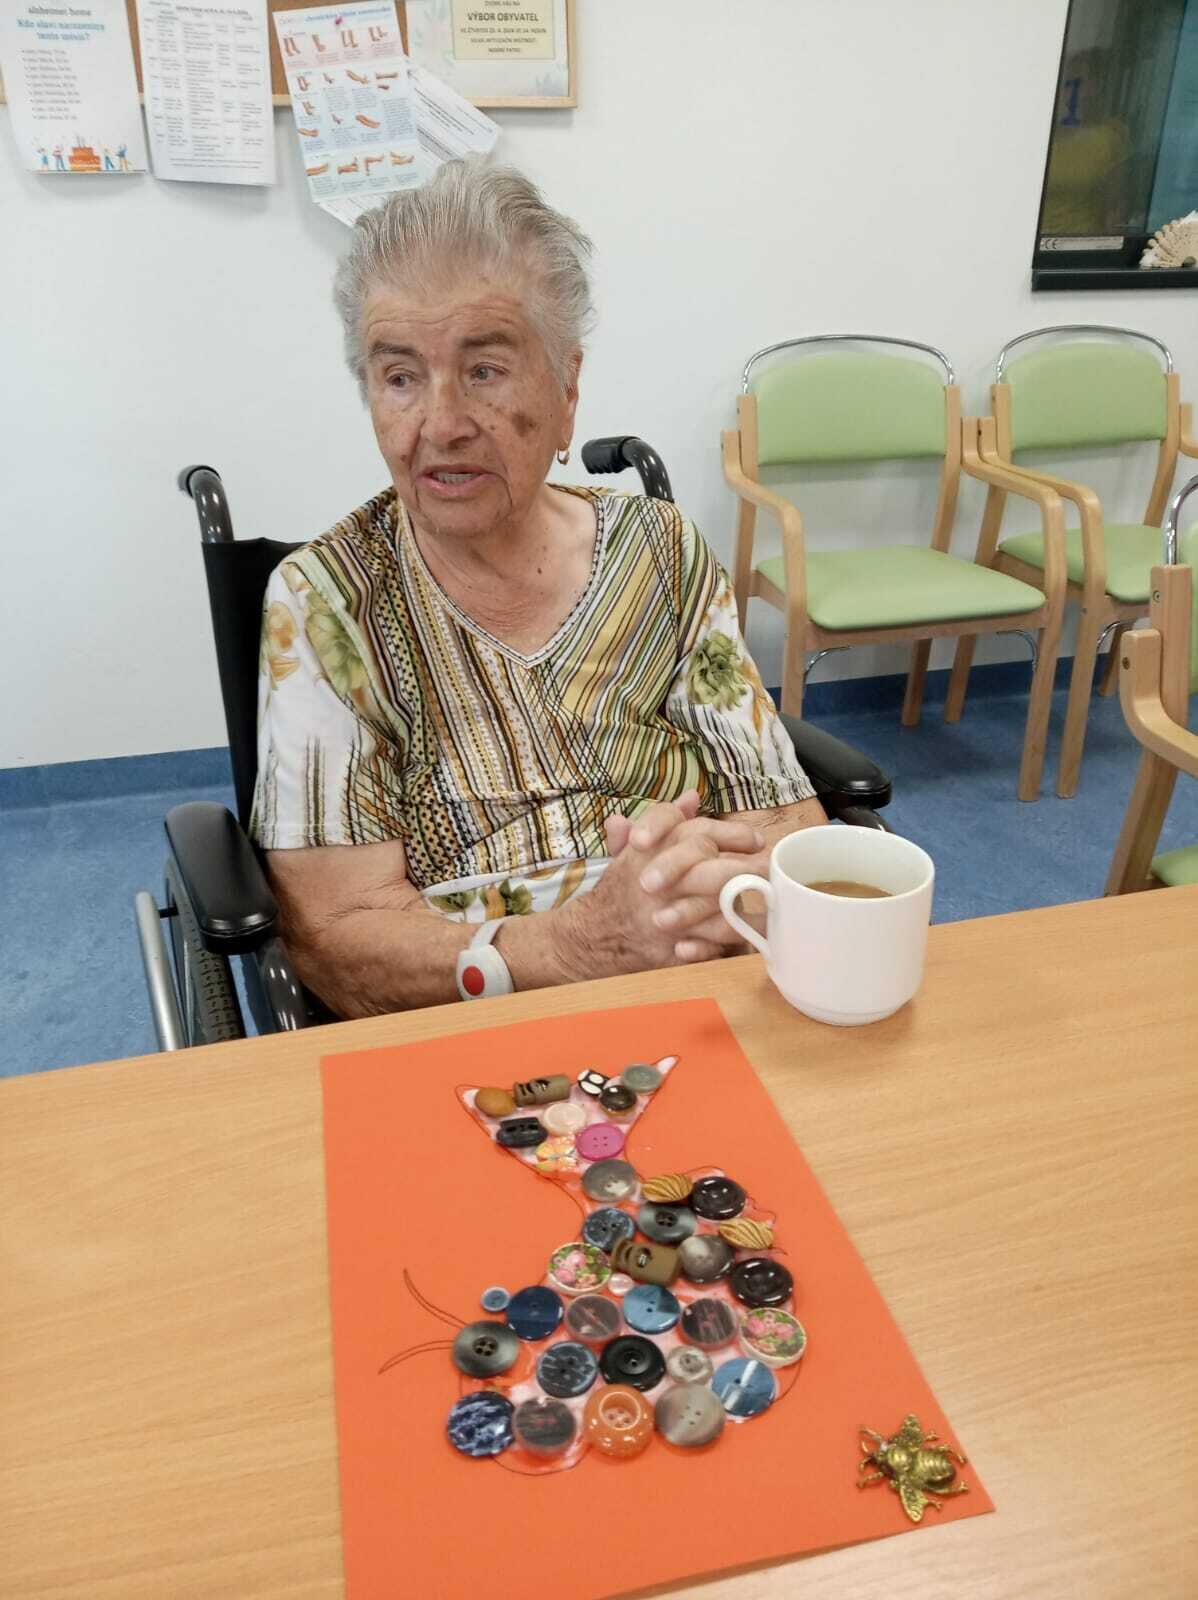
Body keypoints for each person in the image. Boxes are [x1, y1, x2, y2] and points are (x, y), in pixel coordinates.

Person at [252, 159, 824, 1018]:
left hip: (696, 979)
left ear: (567, 392)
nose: (441, 425)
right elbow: (336, 938)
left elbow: (786, 824)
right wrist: (576, 946)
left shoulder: (661, 553)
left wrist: (700, 896)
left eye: (485, 370)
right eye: (400, 377)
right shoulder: (326, 604)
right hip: (469, 1026)